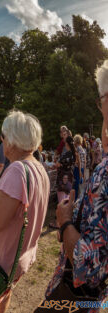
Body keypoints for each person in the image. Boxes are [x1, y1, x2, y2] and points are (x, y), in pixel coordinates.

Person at [34, 60, 108, 313]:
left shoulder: (105, 171)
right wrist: (72, 223)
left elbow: (88, 265)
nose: (100, 111)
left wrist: (65, 223)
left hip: (78, 298)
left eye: (101, 101)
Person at [0, 110, 49, 313]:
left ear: (12, 141)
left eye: (3, 136)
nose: (1, 141)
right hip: (19, 256)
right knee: (4, 297)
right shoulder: (39, 168)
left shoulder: (16, 170)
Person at [73, 134, 86, 199]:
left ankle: (75, 199)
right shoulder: (83, 149)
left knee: (76, 185)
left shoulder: (77, 149)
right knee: (80, 184)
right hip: (82, 168)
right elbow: (85, 161)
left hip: (78, 168)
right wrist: (83, 171)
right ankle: (80, 198)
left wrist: (80, 171)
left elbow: (79, 161)